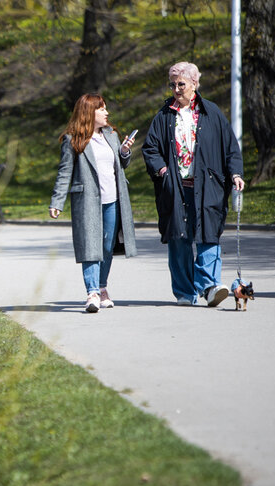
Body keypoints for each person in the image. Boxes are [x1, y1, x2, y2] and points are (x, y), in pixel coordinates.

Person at [142, 62, 245, 307]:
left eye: (181, 84)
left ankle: (209, 287)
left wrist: (236, 174)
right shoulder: (164, 114)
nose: (177, 89)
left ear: (194, 84)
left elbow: (230, 147)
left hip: (208, 185)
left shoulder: (211, 112)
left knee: (209, 235)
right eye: (173, 84)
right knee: (179, 238)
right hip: (176, 187)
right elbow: (150, 149)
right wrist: (163, 170)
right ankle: (185, 292)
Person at [49, 93, 137, 313]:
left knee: (107, 247)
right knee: (91, 247)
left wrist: (125, 151)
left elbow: (120, 164)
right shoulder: (73, 139)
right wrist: (57, 201)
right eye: (102, 109)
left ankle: (102, 286)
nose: (106, 113)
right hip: (87, 201)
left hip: (113, 200)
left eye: (105, 108)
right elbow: (64, 172)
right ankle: (92, 293)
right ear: (89, 112)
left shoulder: (111, 135)